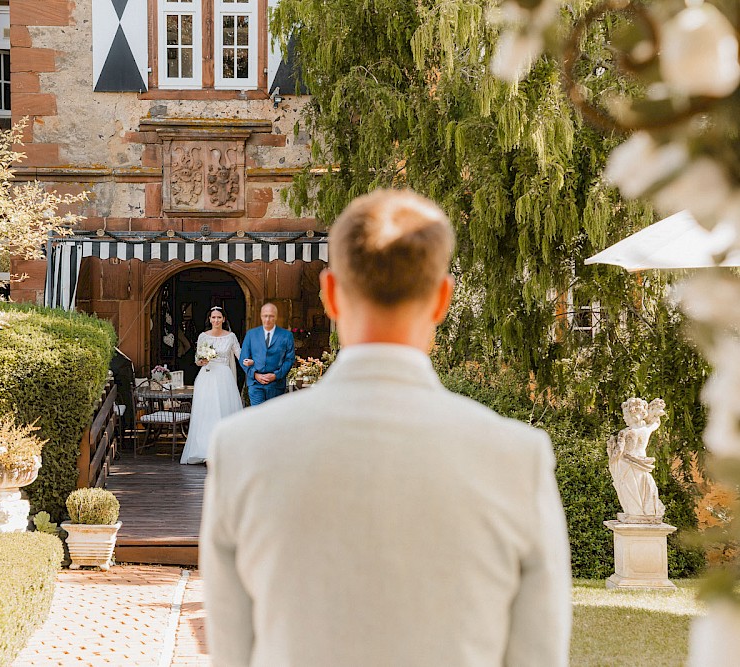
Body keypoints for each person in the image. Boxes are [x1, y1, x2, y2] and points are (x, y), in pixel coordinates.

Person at [201, 189, 571, 666]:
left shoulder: (241, 449)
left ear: (331, 294)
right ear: (442, 299)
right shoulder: (518, 457)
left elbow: (233, 655)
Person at [179, 307, 243, 465]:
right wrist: (201, 361)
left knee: (224, 411)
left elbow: (240, 355)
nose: (216, 320)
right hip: (207, 376)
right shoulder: (203, 336)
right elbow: (197, 359)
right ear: (209, 319)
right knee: (206, 413)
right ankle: (204, 449)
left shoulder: (231, 336)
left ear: (224, 319)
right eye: (213, 317)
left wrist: (252, 362)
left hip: (224, 377)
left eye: (219, 317)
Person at [239, 302, 295, 405]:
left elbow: (289, 359)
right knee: (258, 416)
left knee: (274, 416)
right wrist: (255, 374)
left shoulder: (286, 335)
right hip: (255, 383)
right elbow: (243, 358)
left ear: (276, 317)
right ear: (261, 316)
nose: (267, 319)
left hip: (276, 384)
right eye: (265, 316)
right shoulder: (251, 334)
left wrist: (275, 375)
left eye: (271, 316)